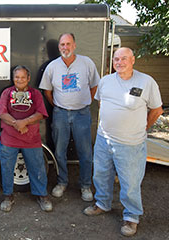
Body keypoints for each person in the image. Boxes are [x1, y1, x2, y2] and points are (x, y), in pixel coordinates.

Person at [83, 47, 163, 237]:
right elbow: (102, 103)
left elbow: (157, 110)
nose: (119, 62)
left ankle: (132, 216)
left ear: (133, 60)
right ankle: (102, 204)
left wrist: (143, 127)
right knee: (101, 175)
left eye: (124, 58)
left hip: (131, 143)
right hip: (104, 139)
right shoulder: (105, 81)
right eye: (116, 59)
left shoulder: (146, 81)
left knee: (130, 182)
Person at [39, 33, 100, 201]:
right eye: (62, 45)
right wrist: (60, 105)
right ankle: (62, 182)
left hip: (82, 113)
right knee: (59, 151)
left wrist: (84, 101)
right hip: (60, 114)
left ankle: (86, 186)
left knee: (85, 152)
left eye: (68, 44)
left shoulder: (86, 63)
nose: (65, 47)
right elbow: (47, 92)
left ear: (74, 45)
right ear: (59, 47)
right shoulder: (52, 67)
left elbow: (95, 86)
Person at [0, 65, 52, 212]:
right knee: (7, 168)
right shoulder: (6, 93)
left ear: (28, 78)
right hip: (9, 139)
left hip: (31, 138)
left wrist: (25, 122)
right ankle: (8, 196)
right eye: (16, 77)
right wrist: (17, 124)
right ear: (13, 78)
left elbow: (40, 113)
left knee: (37, 167)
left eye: (22, 77)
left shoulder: (35, 94)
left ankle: (42, 195)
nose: (19, 80)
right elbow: (2, 113)